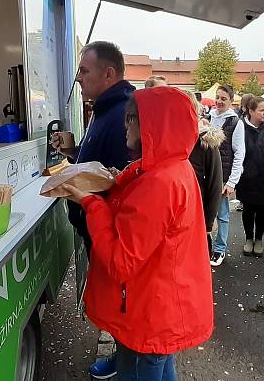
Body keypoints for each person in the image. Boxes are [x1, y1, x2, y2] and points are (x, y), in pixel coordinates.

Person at [59, 87, 214, 381]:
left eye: (132, 118)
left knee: (141, 366)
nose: (125, 125)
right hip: (160, 303)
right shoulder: (171, 167)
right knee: (157, 362)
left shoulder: (159, 182)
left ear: (156, 125)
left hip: (149, 308)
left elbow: (120, 261)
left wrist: (90, 203)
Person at [50, 41, 134, 379]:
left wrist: (89, 204)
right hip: (95, 226)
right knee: (114, 305)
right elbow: (98, 160)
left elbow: (122, 177)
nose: (79, 78)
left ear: (108, 73)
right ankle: (121, 353)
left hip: (111, 233)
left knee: (123, 305)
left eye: (84, 71)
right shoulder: (104, 107)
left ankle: (127, 359)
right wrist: (75, 150)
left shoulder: (125, 110)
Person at [235, 96, 264, 257]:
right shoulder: (240, 127)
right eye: (261, 110)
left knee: (263, 209)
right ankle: (249, 238)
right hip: (246, 178)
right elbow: (236, 152)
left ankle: (259, 239)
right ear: (251, 111)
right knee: (248, 209)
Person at [182, 91, 224, 256]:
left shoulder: (205, 142)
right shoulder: (165, 139)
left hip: (196, 216)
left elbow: (215, 183)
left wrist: (207, 223)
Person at [209, 85, 246, 267]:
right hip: (207, 175)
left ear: (231, 101)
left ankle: (220, 249)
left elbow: (239, 154)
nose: (219, 101)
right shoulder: (210, 117)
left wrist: (232, 182)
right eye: (217, 97)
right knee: (207, 213)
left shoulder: (235, 122)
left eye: (223, 98)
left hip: (222, 176)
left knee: (222, 215)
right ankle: (207, 246)